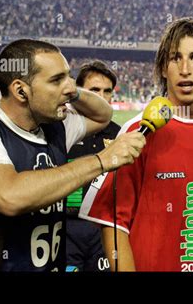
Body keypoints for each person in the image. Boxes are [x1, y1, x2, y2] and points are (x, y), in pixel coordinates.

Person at [0, 39, 145, 272]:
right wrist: (101, 160)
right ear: (20, 91)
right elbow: (10, 196)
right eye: (56, 80)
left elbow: (103, 114)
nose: (68, 87)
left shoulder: (54, 128)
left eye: (68, 76)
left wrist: (72, 90)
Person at [80, 18, 193, 272]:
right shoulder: (138, 132)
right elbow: (112, 222)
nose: (185, 68)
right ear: (164, 69)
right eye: (175, 58)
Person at [66, 60, 121, 272]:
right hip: (68, 228)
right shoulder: (61, 129)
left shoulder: (120, 134)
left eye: (107, 91)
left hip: (104, 228)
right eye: (94, 90)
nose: (102, 96)